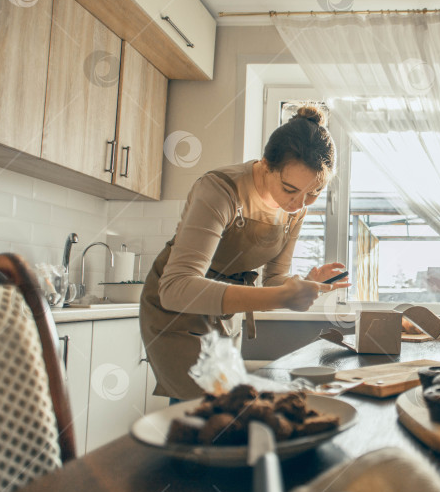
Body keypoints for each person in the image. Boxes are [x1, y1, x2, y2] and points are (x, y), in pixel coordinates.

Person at [139, 105, 348, 401]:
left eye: (313, 193)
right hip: (178, 313)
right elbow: (176, 288)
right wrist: (281, 297)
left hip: (226, 311)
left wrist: (301, 284)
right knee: (200, 406)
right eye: (290, 189)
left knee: (225, 405)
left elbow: (274, 279)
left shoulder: (294, 209)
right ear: (265, 166)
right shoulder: (221, 189)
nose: (299, 203)